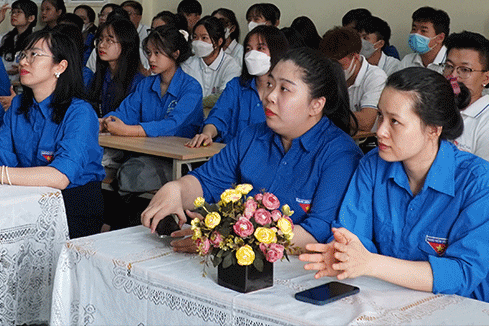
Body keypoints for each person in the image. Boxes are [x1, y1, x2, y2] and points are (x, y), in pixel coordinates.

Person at [301, 68, 489, 301]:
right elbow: (350, 236)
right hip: (385, 296)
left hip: (460, 308)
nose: (380, 131)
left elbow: (462, 273)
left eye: (395, 121)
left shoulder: (480, 183)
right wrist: (342, 254)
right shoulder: (373, 165)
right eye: (380, 116)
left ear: (433, 129)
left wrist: (370, 263)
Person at [141, 47, 362, 247]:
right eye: (269, 84)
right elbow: (206, 182)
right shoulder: (251, 135)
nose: (269, 96)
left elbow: (316, 233)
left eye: (284, 89)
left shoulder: (339, 155)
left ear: (316, 104)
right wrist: (176, 190)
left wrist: (225, 238)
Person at [0, 29, 104, 238]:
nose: (24, 62)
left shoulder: (80, 113)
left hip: (72, 205)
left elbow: (60, 176)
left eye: (34, 55)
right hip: (26, 196)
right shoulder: (18, 104)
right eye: (24, 55)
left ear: (60, 66)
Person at [189, 25, 290, 147]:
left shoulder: (288, 92)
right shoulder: (236, 86)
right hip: (229, 157)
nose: (252, 54)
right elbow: (219, 116)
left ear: (277, 51)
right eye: (248, 49)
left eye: (260, 48)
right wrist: (207, 134)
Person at [442, 31, 489, 175]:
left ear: (486, 78)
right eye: (449, 66)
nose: (453, 76)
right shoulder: (435, 110)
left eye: (465, 70)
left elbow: (483, 186)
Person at [319, 26, 385, 134]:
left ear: (355, 56)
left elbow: (366, 122)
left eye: (339, 65)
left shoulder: (376, 77)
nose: (334, 69)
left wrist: (328, 113)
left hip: (366, 143)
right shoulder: (326, 74)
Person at [87, 18, 144, 116]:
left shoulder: (138, 82)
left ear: (126, 44)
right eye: (100, 40)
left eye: (109, 40)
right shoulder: (100, 76)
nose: (101, 45)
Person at [183, 16, 240, 107]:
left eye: (204, 38)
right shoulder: (187, 64)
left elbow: (226, 98)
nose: (198, 42)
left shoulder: (231, 66)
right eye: (195, 37)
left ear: (219, 41)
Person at [398, 6, 450, 71]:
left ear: (440, 38)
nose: (416, 34)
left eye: (423, 31)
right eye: (414, 29)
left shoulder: (451, 62)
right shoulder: (408, 60)